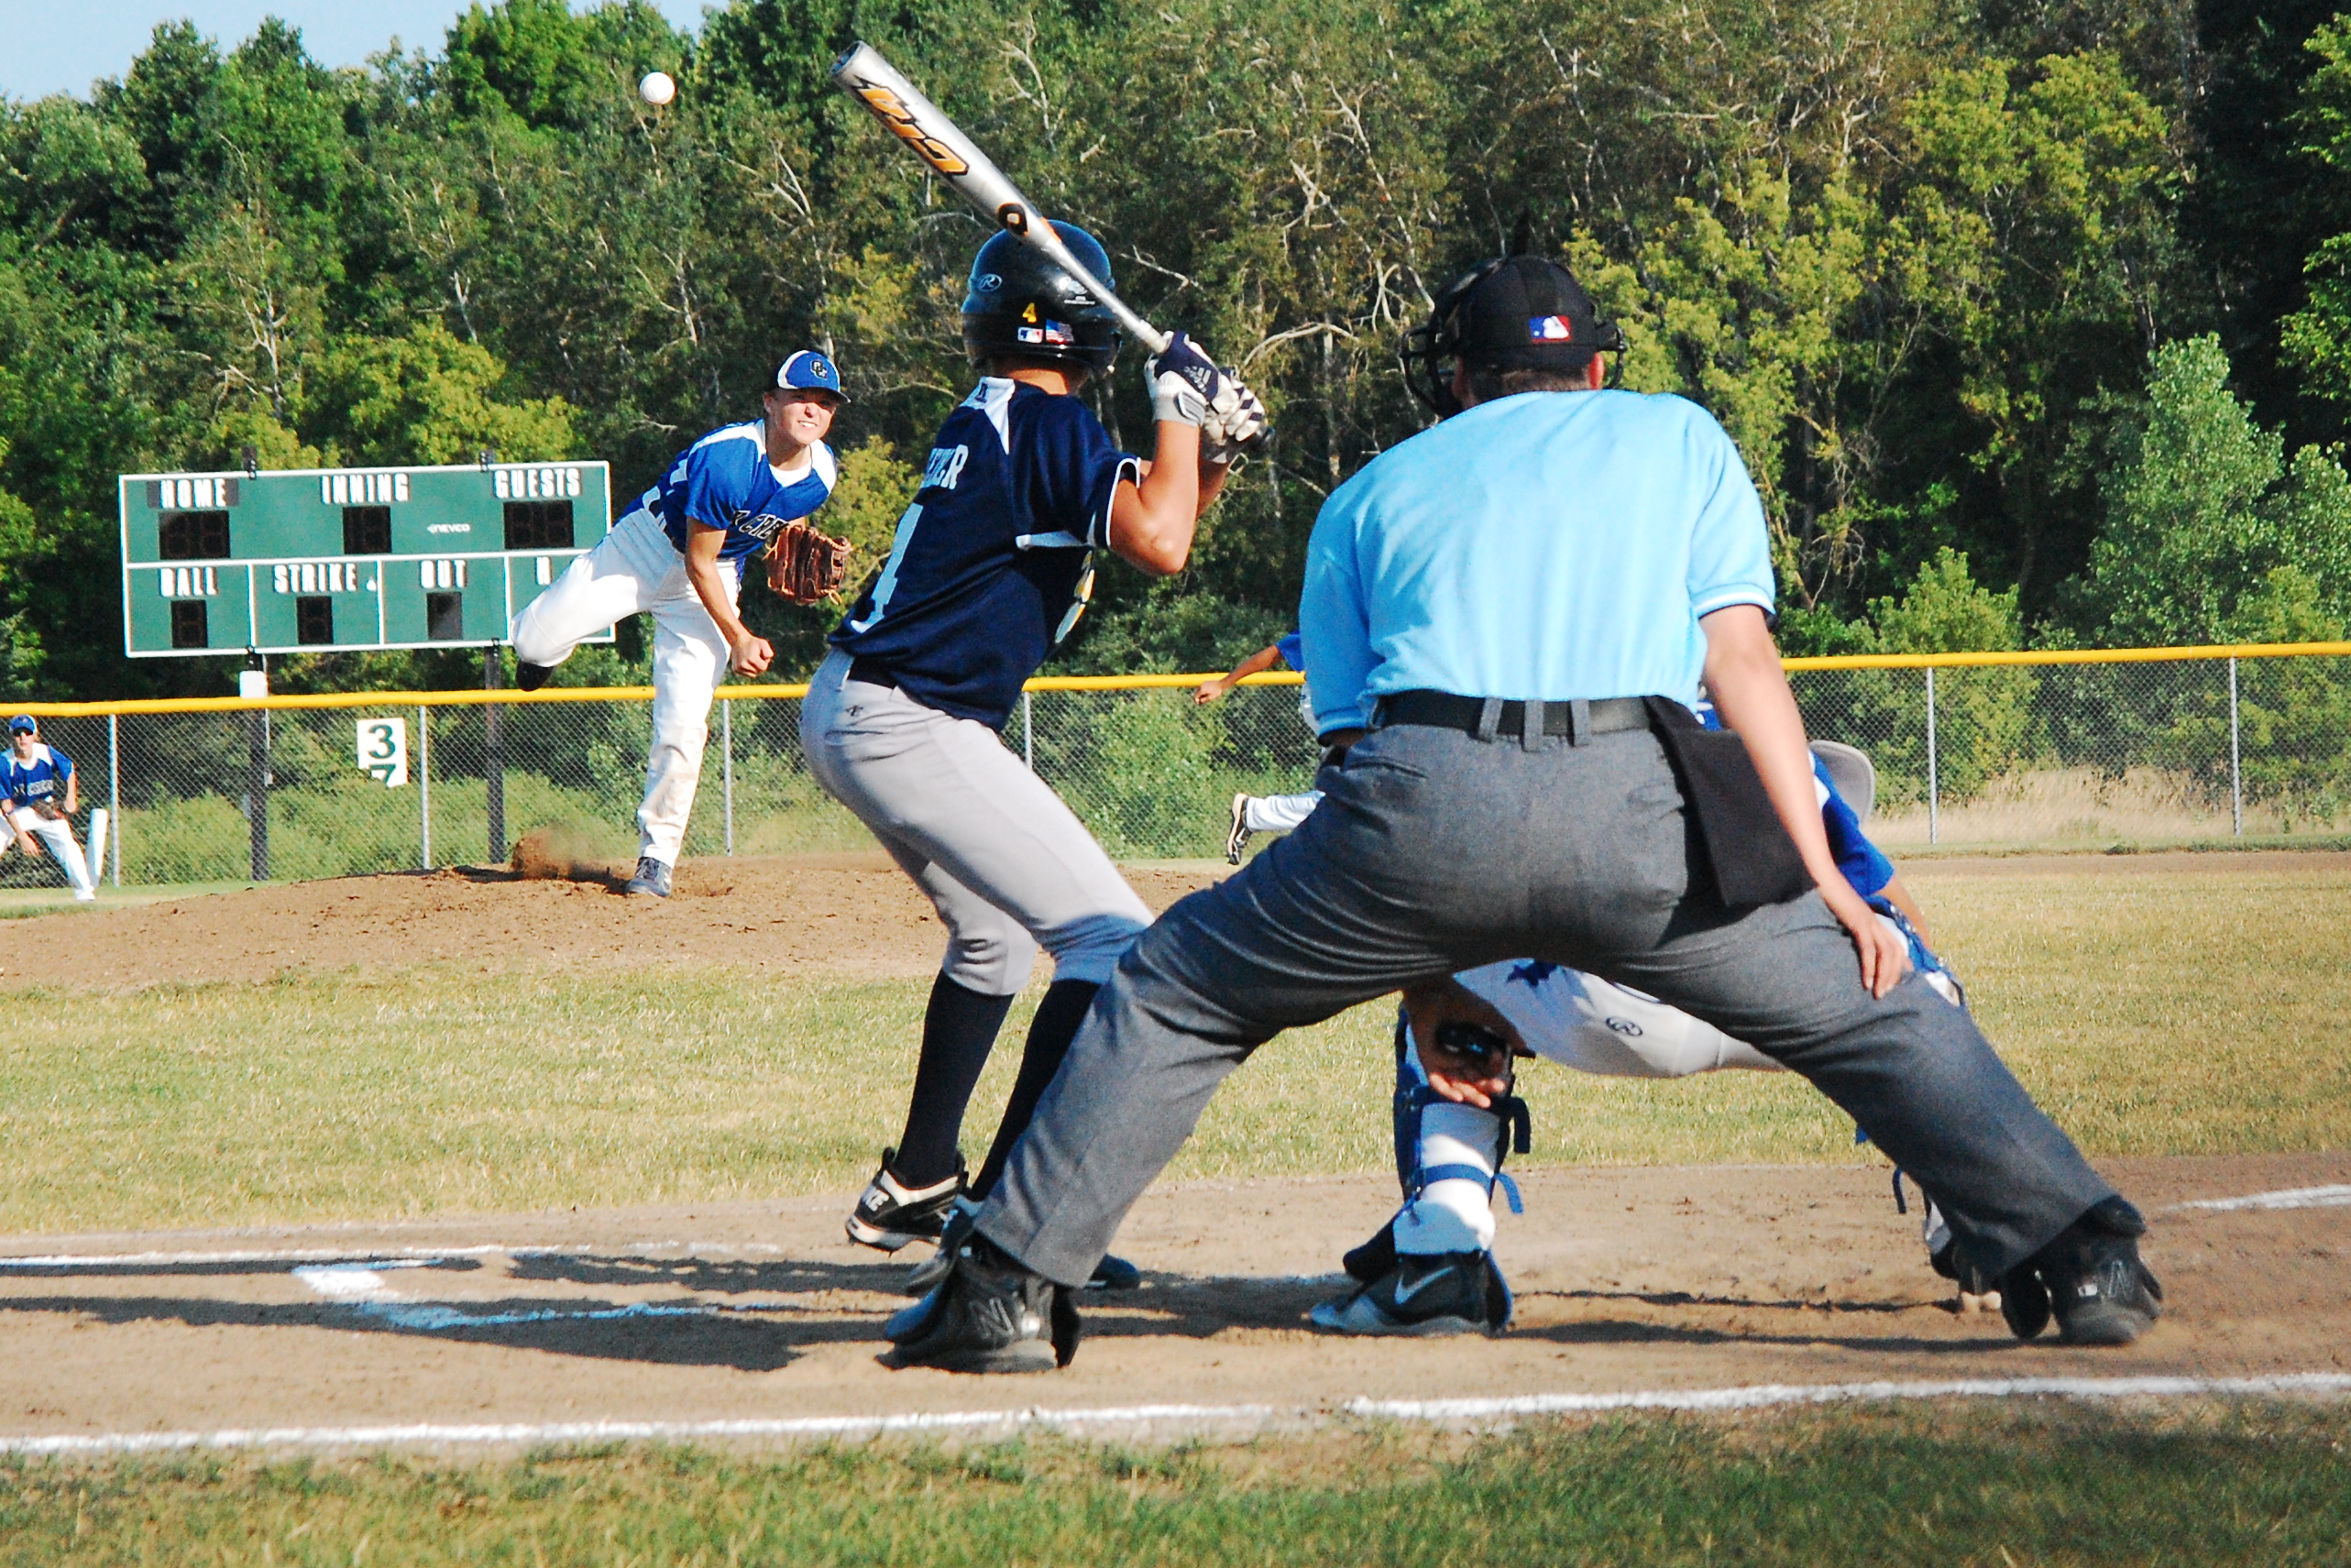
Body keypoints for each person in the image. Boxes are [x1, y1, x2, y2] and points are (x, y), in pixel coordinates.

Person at [884, 253, 2160, 1374]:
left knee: (1172, 991)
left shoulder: (1368, 492)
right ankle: (2081, 1251)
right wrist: (1829, 883)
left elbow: (1354, 754)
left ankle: (1006, 1288)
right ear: (1595, 369)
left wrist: (1426, 970)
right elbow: (1742, 668)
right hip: (1639, 809)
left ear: (1457, 378)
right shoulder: (1680, 436)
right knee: (1868, 1007)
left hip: (1424, 799)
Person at [800, 222, 1264, 1290]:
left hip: (865, 706)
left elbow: (1154, 513)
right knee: (1114, 943)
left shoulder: (1008, 416)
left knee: (996, 937)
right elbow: (1163, 543)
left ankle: (920, 1179)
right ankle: (1008, 1219)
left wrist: (1211, 448)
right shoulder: (1046, 421)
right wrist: (1176, 405)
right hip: (909, 717)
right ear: (1079, 324)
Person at [1311, 732, 1996, 1337]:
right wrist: (1900, 1016)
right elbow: (1896, 908)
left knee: (1445, 1001)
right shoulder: (1758, 738)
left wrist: (1433, 988)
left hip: (1603, 997)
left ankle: (1442, 1242)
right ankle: (1974, 1220)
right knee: (1927, 989)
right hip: (1778, 992)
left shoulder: (1552, 724)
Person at [509, 351, 845, 899]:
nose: (813, 409)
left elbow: (786, 511)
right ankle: (542, 654)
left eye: (825, 402)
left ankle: (656, 858)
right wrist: (739, 636)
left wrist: (785, 544)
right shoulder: (730, 458)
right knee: (531, 640)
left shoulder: (822, 472)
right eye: (800, 397)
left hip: (714, 576)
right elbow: (696, 560)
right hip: (644, 551)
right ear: (769, 402)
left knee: (684, 725)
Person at [1192, 631, 1320, 864]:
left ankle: (1255, 814)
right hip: (1330, 703)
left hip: (1341, 703)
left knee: (1353, 793)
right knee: (1351, 794)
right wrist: (1222, 683)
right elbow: (1277, 652)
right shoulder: (1335, 617)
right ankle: (1255, 813)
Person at [3, 715, 95, 903]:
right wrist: (22, 836)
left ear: (35, 736)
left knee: (67, 844)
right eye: (18, 733)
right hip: (16, 812)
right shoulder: (4, 763)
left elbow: (69, 769)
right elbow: (6, 805)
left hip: (44, 808)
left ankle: (85, 893)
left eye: (27, 733)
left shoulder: (45, 752)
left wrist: (71, 797)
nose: (23, 737)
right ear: (11, 737)